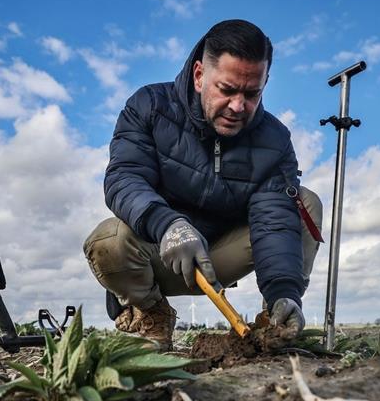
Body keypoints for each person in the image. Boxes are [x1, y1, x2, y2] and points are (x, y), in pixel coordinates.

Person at [83, 19, 323, 347]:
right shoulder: (150, 106)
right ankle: (150, 313)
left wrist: (285, 291)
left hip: (220, 257)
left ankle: (276, 320)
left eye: (251, 93)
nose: (238, 107)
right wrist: (168, 226)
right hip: (158, 255)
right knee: (107, 240)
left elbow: (274, 221)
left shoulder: (275, 140)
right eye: (226, 90)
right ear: (199, 76)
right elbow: (124, 178)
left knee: (304, 204)